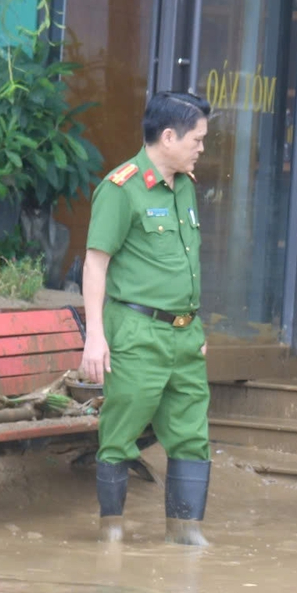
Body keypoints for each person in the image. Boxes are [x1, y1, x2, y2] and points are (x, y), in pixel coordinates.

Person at [81, 91, 213, 546]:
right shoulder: (122, 188)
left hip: (185, 334)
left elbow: (186, 260)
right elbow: (95, 263)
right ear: (169, 136)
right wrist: (94, 337)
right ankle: (111, 530)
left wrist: (196, 325)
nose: (201, 148)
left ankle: (186, 531)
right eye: (197, 139)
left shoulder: (187, 185)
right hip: (137, 329)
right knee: (121, 431)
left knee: (192, 435)